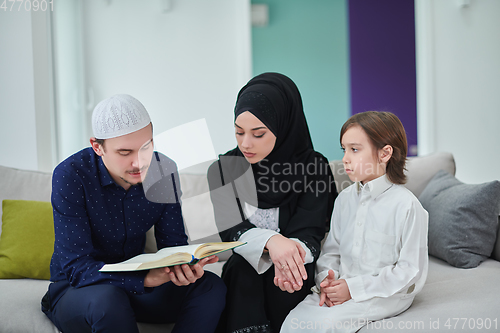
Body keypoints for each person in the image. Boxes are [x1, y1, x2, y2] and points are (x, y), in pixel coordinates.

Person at [41, 94, 226, 333]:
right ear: (98, 147)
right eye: (125, 152)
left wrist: (184, 267)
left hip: (138, 291)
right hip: (80, 290)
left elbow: (173, 244)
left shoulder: (163, 170)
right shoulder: (71, 175)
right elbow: (77, 268)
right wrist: (145, 279)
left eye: (145, 147)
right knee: (108, 301)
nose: (139, 162)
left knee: (210, 286)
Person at [207, 72, 338, 333]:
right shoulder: (224, 169)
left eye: (258, 134)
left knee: (290, 279)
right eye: (238, 132)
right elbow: (231, 231)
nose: (246, 143)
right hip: (244, 267)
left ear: (283, 126)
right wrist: (271, 241)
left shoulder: (313, 167)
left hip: (296, 267)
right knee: (244, 271)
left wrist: (287, 256)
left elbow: (310, 232)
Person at [280, 111, 429, 333]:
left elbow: (410, 271)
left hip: (385, 293)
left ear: (384, 153)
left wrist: (353, 288)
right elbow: (331, 252)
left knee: (327, 325)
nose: (345, 159)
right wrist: (327, 281)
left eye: (355, 149)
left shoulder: (407, 206)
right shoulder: (344, 200)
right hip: (342, 286)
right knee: (293, 321)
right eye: (344, 149)